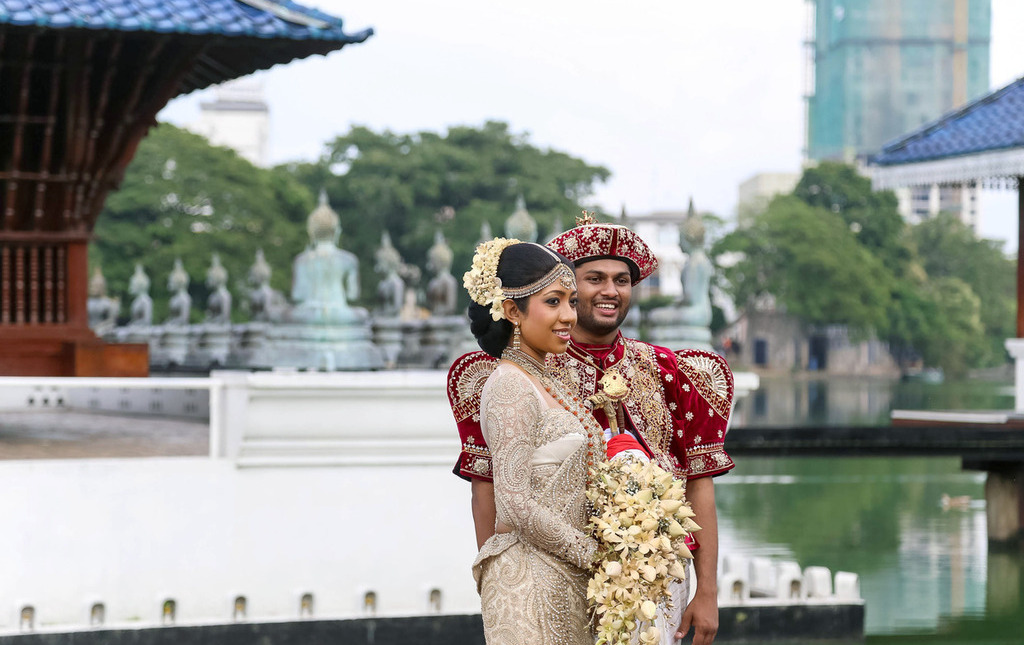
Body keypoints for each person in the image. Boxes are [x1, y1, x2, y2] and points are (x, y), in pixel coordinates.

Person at [448, 214, 735, 645]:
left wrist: (707, 589)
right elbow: (491, 488)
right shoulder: (522, 373)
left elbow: (699, 482)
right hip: (556, 572)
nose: (610, 291)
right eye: (593, 279)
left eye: (622, 280)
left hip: (655, 579)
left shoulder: (668, 370)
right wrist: (498, 580)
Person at [464, 238, 602, 645]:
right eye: (554, 301)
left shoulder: (546, 379)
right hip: (529, 585)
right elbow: (512, 502)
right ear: (511, 311)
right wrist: (591, 554)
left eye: (572, 302)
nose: (568, 317)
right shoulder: (509, 385)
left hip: (567, 580)